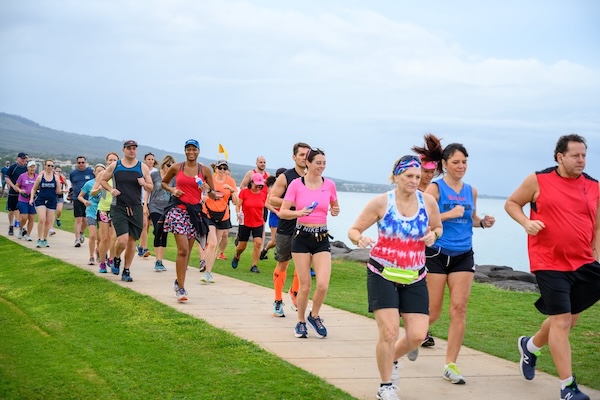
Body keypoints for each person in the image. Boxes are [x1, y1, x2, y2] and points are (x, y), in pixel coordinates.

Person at [505, 134, 599, 400]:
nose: (581, 160)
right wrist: (525, 222)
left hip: (584, 262)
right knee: (560, 320)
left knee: (571, 319)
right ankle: (568, 386)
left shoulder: (594, 186)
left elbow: (597, 226)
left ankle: (530, 346)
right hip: (548, 261)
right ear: (560, 157)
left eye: (584, 155)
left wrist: (596, 257)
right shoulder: (538, 179)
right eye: (575, 155)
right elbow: (512, 203)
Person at [348, 155, 442, 400]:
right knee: (389, 332)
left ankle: (393, 359)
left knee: (418, 335)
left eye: (418, 177)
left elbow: (438, 227)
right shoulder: (382, 203)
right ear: (396, 176)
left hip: (415, 275)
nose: (414, 181)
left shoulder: (428, 202)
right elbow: (354, 229)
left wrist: (434, 236)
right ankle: (386, 386)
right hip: (383, 274)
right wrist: (359, 238)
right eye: (408, 176)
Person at [423, 141, 495, 384]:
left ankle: (450, 365)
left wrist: (483, 222)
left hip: (464, 254)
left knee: (459, 309)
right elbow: (423, 221)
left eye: (464, 162)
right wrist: (448, 214)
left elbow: (471, 219)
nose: (461, 166)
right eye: (455, 162)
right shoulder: (434, 189)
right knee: (432, 312)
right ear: (444, 164)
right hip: (437, 253)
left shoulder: (470, 191)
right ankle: (414, 335)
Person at [279, 147, 340, 339]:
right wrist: (299, 213)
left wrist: (336, 210)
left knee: (322, 284)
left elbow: (334, 205)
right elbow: (283, 211)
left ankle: (314, 316)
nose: (321, 166)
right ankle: (301, 322)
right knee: (304, 286)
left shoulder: (329, 185)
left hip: (321, 238)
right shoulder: (296, 185)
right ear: (308, 163)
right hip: (301, 238)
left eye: (324, 163)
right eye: (318, 163)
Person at [161, 139, 219, 301]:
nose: (191, 152)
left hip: (195, 214)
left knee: (186, 254)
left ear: (198, 151)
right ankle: (181, 289)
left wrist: (207, 190)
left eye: (194, 149)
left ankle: (178, 280)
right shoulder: (176, 167)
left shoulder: (205, 170)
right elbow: (164, 183)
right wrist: (173, 189)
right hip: (178, 210)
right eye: (188, 149)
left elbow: (214, 195)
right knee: (183, 250)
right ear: (185, 151)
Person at [99, 140, 153, 283]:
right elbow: (103, 180)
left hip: (136, 207)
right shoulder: (115, 165)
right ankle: (116, 258)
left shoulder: (142, 167)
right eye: (129, 148)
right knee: (122, 240)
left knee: (131, 242)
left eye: (134, 148)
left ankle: (126, 270)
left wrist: (145, 184)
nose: (132, 150)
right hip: (118, 207)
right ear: (123, 150)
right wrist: (111, 190)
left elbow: (151, 187)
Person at [269, 142, 311, 317]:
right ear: (294, 157)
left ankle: (294, 291)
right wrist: (294, 203)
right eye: (301, 155)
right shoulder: (286, 177)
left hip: (307, 226)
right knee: (283, 263)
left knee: (305, 263)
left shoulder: (313, 177)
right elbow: (272, 199)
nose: (304, 158)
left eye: (306, 155)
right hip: (287, 226)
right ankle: (278, 301)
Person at [412, 133, 444, 347]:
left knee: (424, 288)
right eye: (425, 171)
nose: (428, 176)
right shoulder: (411, 190)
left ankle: (421, 331)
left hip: (430, 247)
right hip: (408, 247)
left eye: (432, 172)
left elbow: (438, 222)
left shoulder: (434, 192)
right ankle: (416, 329)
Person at [201, 159, 238, 283]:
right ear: (215, 168)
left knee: (215, 244)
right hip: (208, 212)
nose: (222, 170)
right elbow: (202, 192)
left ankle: (208, 271)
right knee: (212, 242)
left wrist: (232, 191)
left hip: (223, 215)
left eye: (224, 168)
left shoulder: (231, 181)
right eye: (220, 168)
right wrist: (205, 197)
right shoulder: (210, 178)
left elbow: (236, 201)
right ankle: (206, 270)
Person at [232, 173, 268, 273]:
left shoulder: (263, 195)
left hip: (258, 222)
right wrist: (238, 213)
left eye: (260, 185)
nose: (258, 187)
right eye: (256, 185)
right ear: (251, 183)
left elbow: (263, 208)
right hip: (245, 222)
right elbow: (238, 205)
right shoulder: (244, 192)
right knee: (241, 246)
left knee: (258, 243)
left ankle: (254, 265)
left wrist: (263, 219)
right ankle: (237, 256)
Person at [145, 155, 175, 272]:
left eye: (172, 166)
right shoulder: (155, 175)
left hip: (167, 208)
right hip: (154, 206)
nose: (170, 168)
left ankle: (161, 260)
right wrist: (145, 205)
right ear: (164, 165)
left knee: (164, 233)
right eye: (168, 165)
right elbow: (148, 190)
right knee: (158, 230)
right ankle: (157, 261)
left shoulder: (174, 178)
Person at [92, 152, 120, 274]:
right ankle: (102, 262)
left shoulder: (120, 175)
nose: (112, 162)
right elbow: (92, 192)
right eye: (110, 160)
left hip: (117, 208)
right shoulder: (102, 174)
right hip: (103, 209)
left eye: (114, 160)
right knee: (104, 238)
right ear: (106, 161)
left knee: (115, 237)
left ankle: (111, 259)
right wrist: (99, 189)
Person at [30, 160, 62, 247]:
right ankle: (39, 239)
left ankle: (45, 239)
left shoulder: (56, 177)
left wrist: (63, 191)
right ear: (45, 166)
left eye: (52, 166)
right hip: (41, 200)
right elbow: (34, 188)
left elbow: (58, 190)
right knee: (42, 219)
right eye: (48, 165)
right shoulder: (40, 177)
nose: (50, 167)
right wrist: (31, 198)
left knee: (48, 221)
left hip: (52, 200)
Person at [78, 164, 105, 265]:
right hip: (91, 211)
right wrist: (85, 201)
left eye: (102, 171)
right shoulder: (89, 184)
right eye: (98, 171)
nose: (100, 173)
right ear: (94, 173)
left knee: (101, 237)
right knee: (93, 235)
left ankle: (98, 251)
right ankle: (91, 256)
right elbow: (80, 196)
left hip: (102, 211)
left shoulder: (106, 184)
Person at [260, 168, 287, 261]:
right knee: (275, 241)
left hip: (284, 215)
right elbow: (266, 204)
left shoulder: (287, 189)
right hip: (274, 216)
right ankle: (265, 250)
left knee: (285, 240)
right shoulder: (274, 189)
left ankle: (279, 256)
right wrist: (276, 212)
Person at [70, 156, 94, 247]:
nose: (81, 164)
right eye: (79, 163)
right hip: (77, 198)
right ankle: (76, 239)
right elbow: (73, 184)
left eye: (82, 162)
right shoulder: (73, 173)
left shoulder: (90, 172)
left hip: (89, 199)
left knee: (85, 220)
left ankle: (81, 232)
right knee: (78, 219)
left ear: (85, 163)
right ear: (77, 163)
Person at [137, 152, 157, 258]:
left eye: (152, 159)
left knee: (148, 225)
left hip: (152, 201)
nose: (151, 161)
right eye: (149, 159)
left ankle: (140, 245)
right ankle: (144, 248)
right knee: (144, 224)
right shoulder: (141, 171)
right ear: (145, 160)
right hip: (141, 200)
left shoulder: (155, 172)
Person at [4, 152, 28, 235]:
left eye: (24, 159)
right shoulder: (13, 167)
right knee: (11, 210)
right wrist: (12, 186)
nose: (23, 160)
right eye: (22, 159)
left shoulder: (26, 168)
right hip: (13, 192)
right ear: (18, 158)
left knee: (22, 211)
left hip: (23, 193)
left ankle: (22, 228)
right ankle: (11, 226)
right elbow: (7, 177)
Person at [15, 160, 38, 241]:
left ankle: (28, 234)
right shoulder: (22, 176)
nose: (32, 168)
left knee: (31, 217)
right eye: (31, 167)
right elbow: (16, 186)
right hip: (23, 199)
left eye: (33, 167)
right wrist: (20, 190)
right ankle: (21, 229)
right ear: (27, 168)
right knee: (24, 217)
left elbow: (39, 187)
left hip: (33, 200)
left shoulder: (37, 177)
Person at [48, 165, 68, 236]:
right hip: (53, 196)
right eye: (57, 171)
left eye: (60, 171)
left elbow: (66, 184)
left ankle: (58, 218)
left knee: (59, 210)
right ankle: (51, 228)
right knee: (52, 212)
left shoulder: (62, 177)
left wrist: (66, 190)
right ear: (54, 171)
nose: (58, 172)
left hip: (60, 196)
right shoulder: (51, 177)